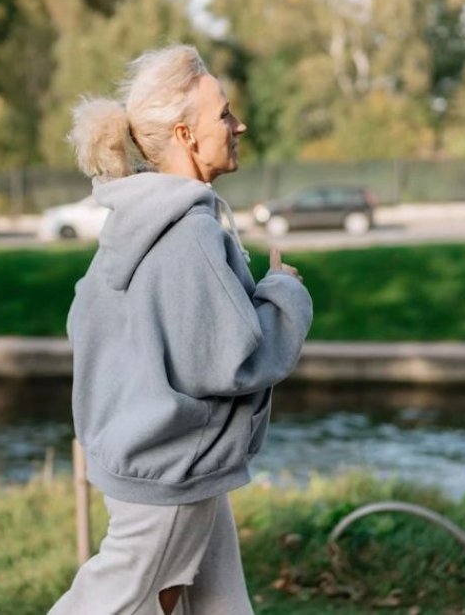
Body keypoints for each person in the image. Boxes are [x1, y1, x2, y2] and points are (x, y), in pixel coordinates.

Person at [49, 45, 313, 615]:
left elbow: (85, 321)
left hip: (162, 455)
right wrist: (284, 291)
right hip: (172, 466)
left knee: (216, 602)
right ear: (186, 135)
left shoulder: (136, 220)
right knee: (112, 602)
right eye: (223, 114)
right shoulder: (190, 233)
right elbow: (231, 362)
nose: (238, 124)